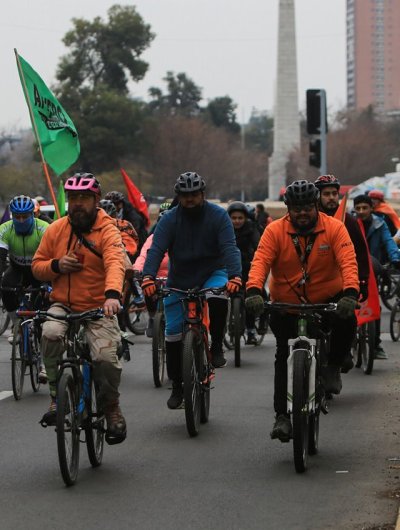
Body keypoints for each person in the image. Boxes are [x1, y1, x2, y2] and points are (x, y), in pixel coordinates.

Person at [245, 180, 359, 442]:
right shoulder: (274, 230)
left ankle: (332, 365)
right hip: (287, 303)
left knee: (347, 320)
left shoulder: (334, 228)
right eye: (296, 208)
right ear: (288, 208)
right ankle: (282, 417)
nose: (302, 213)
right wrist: (253, 290)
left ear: (316, 205)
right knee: (283, 353)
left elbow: (348, 261)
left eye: (307, 207)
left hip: (326, 299)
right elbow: (260, 261)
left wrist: (350, 293)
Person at [32, 173, 127, 445]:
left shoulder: (108, 229)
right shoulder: (56, 229)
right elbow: (37, 266)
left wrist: (112, 296)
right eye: (73, 198)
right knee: (50, 333)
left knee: (105, 359)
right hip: (63, 303)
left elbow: (115, 263)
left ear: (96, 200)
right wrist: (56, 266)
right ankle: (54, 395)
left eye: (84, 198)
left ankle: (111, 408)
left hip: (100, 306)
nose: (78, 204)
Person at [142, 171, 241, 409]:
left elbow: (230, 247)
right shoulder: (169, 220)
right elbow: (156, 250)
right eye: (185, 195)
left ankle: (216, 345)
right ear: (178, 196)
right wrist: (148, 277)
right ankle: (178, 386)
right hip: (180, 278)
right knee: (173, 334)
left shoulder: (218, 216)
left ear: (202, 194)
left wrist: (235, 276)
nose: (189, 199)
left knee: (217, 297)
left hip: (212, 271)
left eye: (194, 194)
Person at [314, 174, 370, 372]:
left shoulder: (350, 222)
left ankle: (336, 362)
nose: (331, 198)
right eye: (326, 194)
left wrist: (361, 284)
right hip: (312, 284)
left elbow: (361, 255)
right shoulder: (309, 219)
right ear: (317, 196)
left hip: (341, 284)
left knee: (346, 320)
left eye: (334, 194)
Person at [0, 195, 49, 368]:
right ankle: (17, 326)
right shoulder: (5, 229)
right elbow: (0, 257)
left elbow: (52, 256)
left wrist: (48, 284)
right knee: (5, 285)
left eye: (25, 217)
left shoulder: (44, 228)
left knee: (44, 311)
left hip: (39, 269)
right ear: (12, 215)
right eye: (17, 217)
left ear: (32, 215)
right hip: (18, 269)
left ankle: (44, 361)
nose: (21, 220)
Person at [353, 194, 400, 360]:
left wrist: (395, 260)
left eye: (365, 208)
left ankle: (376, 343)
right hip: (353, 269)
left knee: (376, 308)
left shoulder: (380, 224)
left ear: (371, 208)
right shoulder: (350, 224)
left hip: (374, 268)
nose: (361, 211)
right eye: (358, 208)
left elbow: (389, 242)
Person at [99, 198, 138, 361]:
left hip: (120, 266)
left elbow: (132, 244)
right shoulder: (93, 226)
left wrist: (121, 253)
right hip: (98, 269)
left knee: (118, 304)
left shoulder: (124, 225)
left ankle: (121, 333)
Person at [227, 201, 261, 344]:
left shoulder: (251, 228)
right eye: (234, 218)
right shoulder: (225, 229)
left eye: (240, 218)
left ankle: (251, 330)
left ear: (245, 218)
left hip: (248, 266)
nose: (237, 221)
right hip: (230, 268)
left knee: (249, 299)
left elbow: (258, 245)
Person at [133, 206, 170, 338]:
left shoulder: (180, 238)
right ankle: (153, 316)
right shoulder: (152, 239)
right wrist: (137, 269)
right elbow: (143, 256)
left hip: (174, 278)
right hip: (155, 275)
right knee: (147, 289)